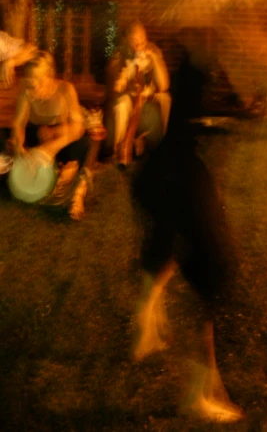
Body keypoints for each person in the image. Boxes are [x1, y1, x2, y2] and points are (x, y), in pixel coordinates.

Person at [131, 52, 243, 424]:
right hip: (176, 181)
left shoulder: (185, 107)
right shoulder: (192, 100)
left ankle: (147, 312)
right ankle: (198, 395)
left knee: (177, 243)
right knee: (213, 276)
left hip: (163, 178)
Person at [10, 51, 92, 220]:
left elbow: (77, 127)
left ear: (50, 76)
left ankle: (77, 193)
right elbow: (18, 124)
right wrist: (19, 144)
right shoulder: (26, 92)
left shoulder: (65, 90)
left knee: (85, 145)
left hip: (62, 139)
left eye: (39, 81)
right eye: (31, 82)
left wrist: (51, 146)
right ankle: (55, 176)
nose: (34, 87)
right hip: (37, 138)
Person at [106, 22, 171, 166]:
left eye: (142, 38)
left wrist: (154, 59)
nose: (140, 43)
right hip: (130, 97)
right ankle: (119, 151)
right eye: (135, 40)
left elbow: (164, 85)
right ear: (128, 40)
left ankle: (162, 145)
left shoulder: (153, 50)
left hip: (149, 95)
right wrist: (124, 77)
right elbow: (116, 88)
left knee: (165, 99)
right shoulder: (121, 54)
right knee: (121, 105)